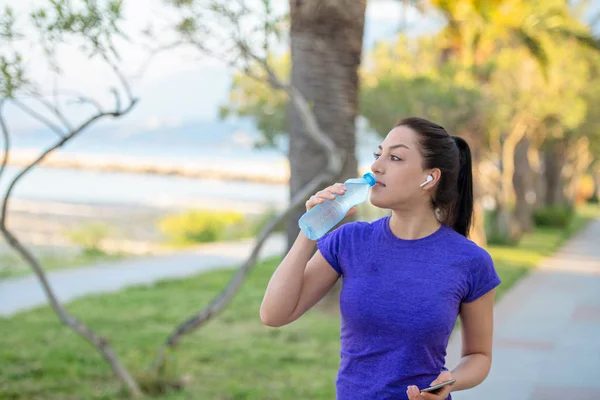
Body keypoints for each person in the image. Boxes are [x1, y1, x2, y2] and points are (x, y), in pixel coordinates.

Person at [260, 117, 501, 400]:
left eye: (395, 157)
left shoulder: (471, 261)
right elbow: (273, 315)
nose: (376, 166)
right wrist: (310, 230)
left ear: (430, 178)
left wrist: (451, 381)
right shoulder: (349, 241)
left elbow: (479, 355)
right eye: (378, 154)